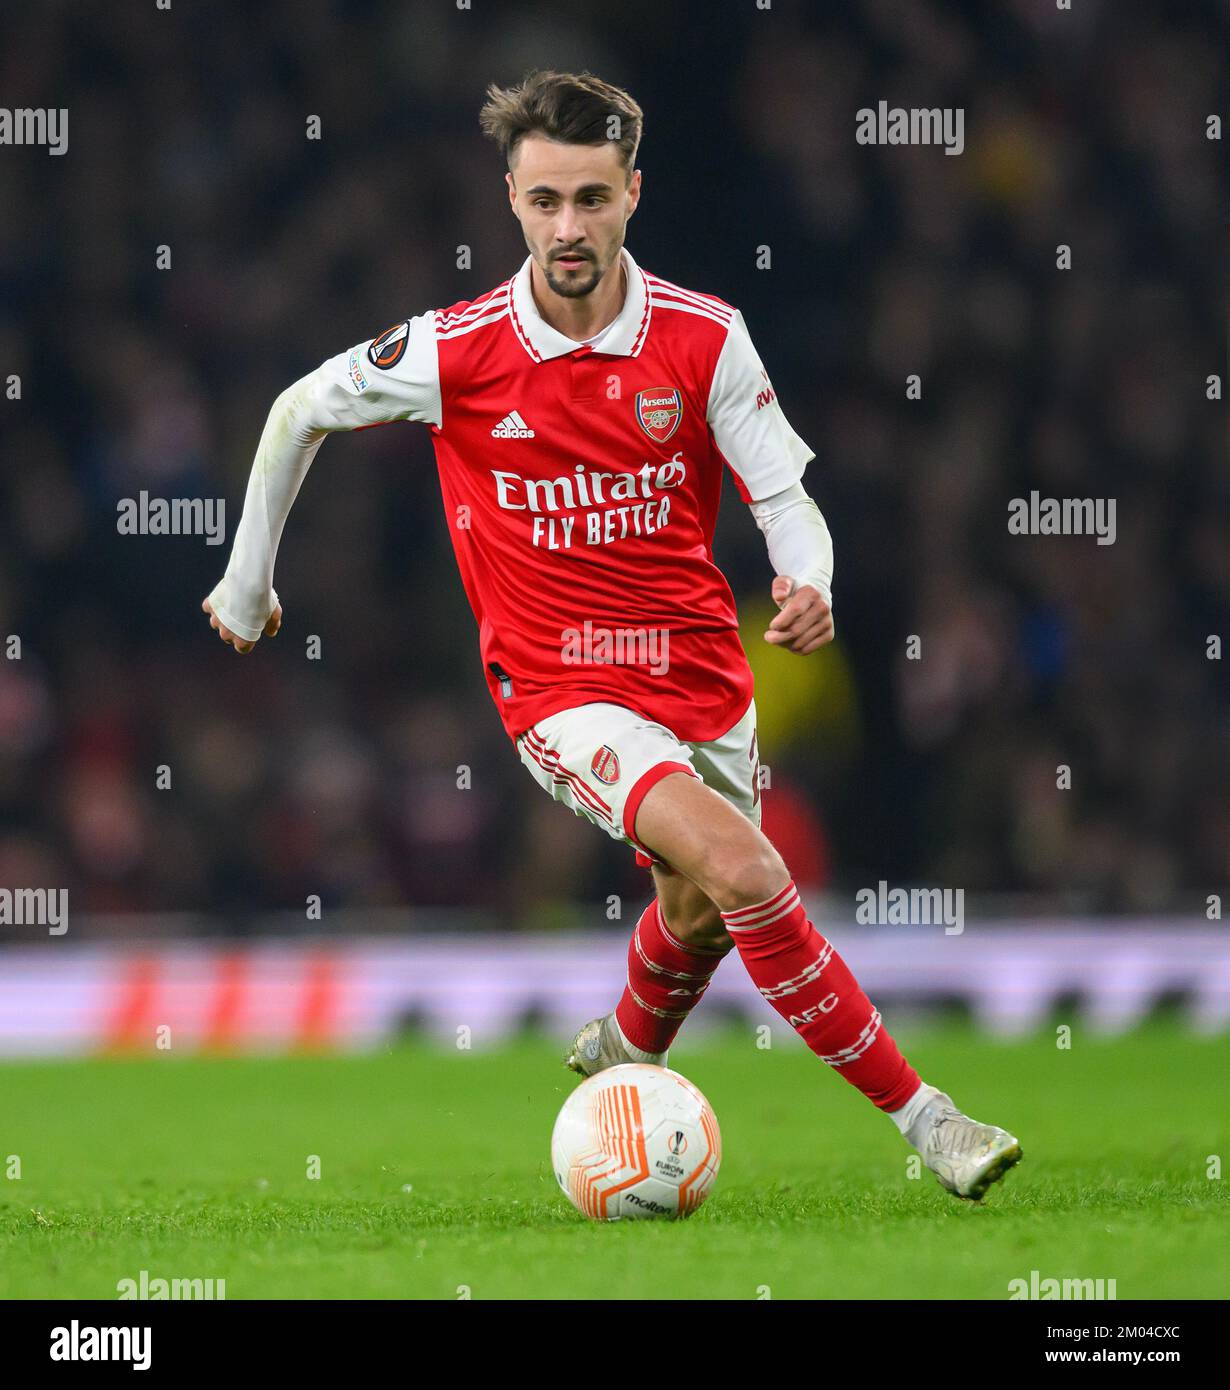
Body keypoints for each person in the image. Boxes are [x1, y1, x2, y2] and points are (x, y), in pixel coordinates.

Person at [203, 70, 1020, 1200]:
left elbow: (784, 498)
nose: (568, 227)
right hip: (559, 688)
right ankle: (929, 1121)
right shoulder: (458, 349)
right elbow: (300, 409)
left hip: (701, 675)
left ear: (633, 192)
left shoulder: (705, 337)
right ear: (511, 200)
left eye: (591, 198)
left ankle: (630, 1046)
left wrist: (808, 575)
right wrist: (249, 586)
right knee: (745, 865)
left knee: (696, 908)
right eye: (545, 202)